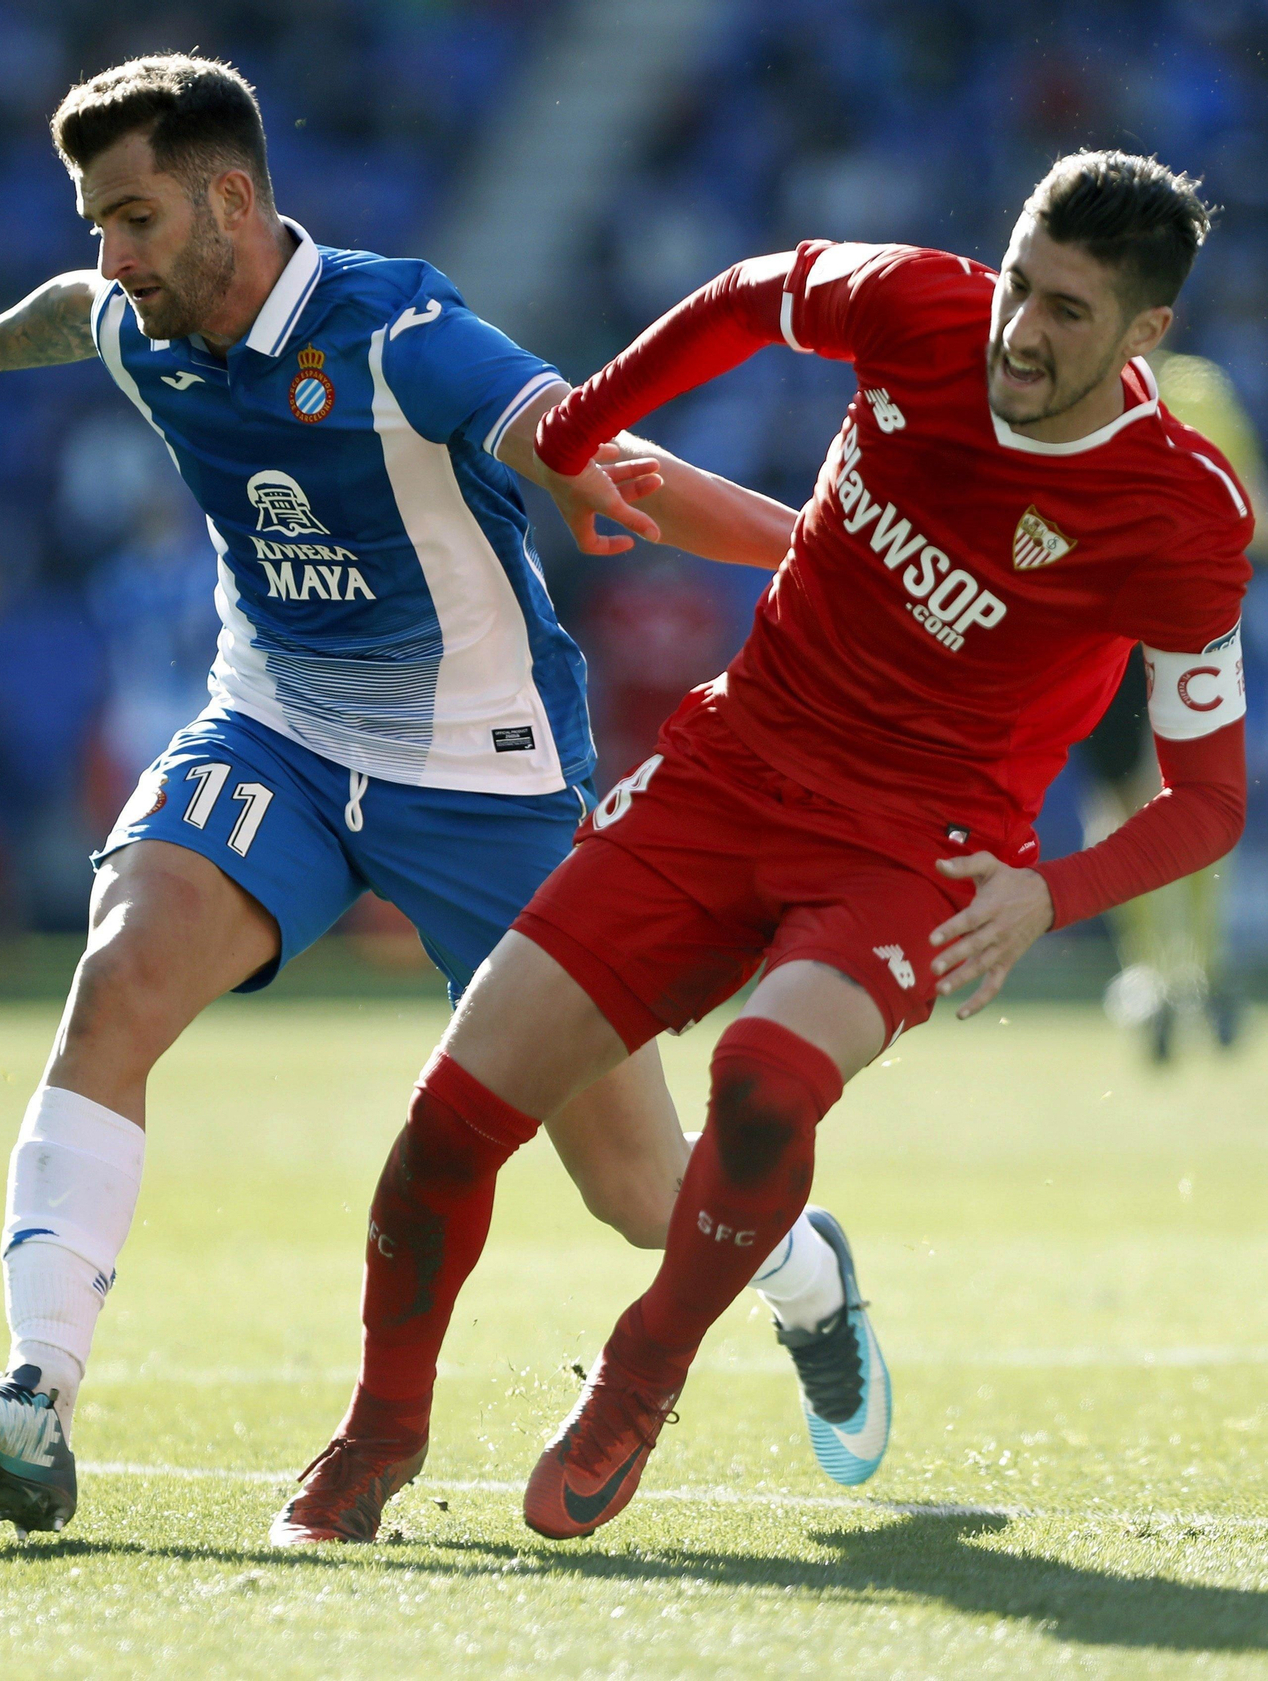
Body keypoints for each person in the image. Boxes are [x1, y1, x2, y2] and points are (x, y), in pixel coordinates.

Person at [0, 55, 817, 1539]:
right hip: (275, 733)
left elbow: (616, 460)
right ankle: (37, 1394)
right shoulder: (143, 320)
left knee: (631, 1184)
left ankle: (810, 1281)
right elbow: (64, 318)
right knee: (119, 975)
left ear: (231, 197)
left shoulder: (397, 329)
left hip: (485, 776)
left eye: (135, 218)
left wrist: (816, 553)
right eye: (96, 220)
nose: (113, 256)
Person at [278, 150, 1252, 1546]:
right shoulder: (919, 307)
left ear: (1147, 333)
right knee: (447, 1125)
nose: (1019, 332)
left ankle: (639, 1376)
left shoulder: (1180, 514)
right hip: (730, 768)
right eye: (1020, 283)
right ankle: (376, 1438)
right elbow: (746, 296)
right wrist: (581, 428)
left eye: (1068, 313)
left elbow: (1209, 798)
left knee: (763, 1080)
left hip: (921, 846)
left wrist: (1054, 892)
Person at [1077, 350, 1265, 1059]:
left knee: (1182, 793)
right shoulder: (1083, 388)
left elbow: (1253, 514)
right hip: (1110, 633)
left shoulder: (1194, 392)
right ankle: (1166, 972)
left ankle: (1190, 971)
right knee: (1131, 800)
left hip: (1180, 623)